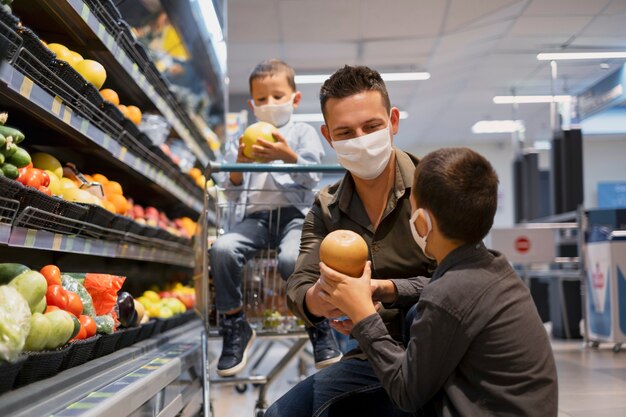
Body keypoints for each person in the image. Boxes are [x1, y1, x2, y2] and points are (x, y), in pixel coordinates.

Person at [318, 147, 559, 416]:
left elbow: (405, 392)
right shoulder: (490, 265)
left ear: (422, 222)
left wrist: (364, 317)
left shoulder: (448, 294)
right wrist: (385, 289)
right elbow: (437, 289)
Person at [267, 65, 435, 416]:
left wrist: (378, 291)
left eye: (371, 127)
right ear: (328, 136)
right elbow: (299, 286)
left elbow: (461, 282)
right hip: (368, 359)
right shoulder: (327, 209)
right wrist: (321, 301)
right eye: (345, 132)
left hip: (436, 357)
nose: (360, 139)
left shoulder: (432, 188)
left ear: (393, 121)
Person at [209, 59, 339, 377]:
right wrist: (239, 162)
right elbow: (231, 191)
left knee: (293, 259)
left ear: (294, 99)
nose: (270, 104)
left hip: (295, 217)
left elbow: (313, 177)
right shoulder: (240, 140)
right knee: (222, 250)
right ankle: (236, 324)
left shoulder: (303, 134)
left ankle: (317, 323)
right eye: (263, 99)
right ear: (253, 105)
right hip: (255, 219)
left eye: (278, 96)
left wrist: (287, 156)